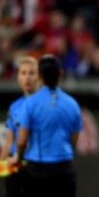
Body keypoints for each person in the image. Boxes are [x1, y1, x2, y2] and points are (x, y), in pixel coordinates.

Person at [10, 55, 83, 197]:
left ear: (39, 75)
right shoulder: (72, 104)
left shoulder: (30, 103)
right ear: (60, 74)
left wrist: (17, 157)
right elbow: (74, 140)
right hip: (64, 169)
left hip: (36, 171)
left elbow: (21, 141)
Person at [0, 56, 39, 197]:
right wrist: (1, 165)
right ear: (18, 77)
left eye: (31, 73)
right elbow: (9, 141)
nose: (27, 78)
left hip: (37, 167)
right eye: (23, 73)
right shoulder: (15, 106)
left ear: (38, 77)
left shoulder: (46, 103)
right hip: (14, 168)